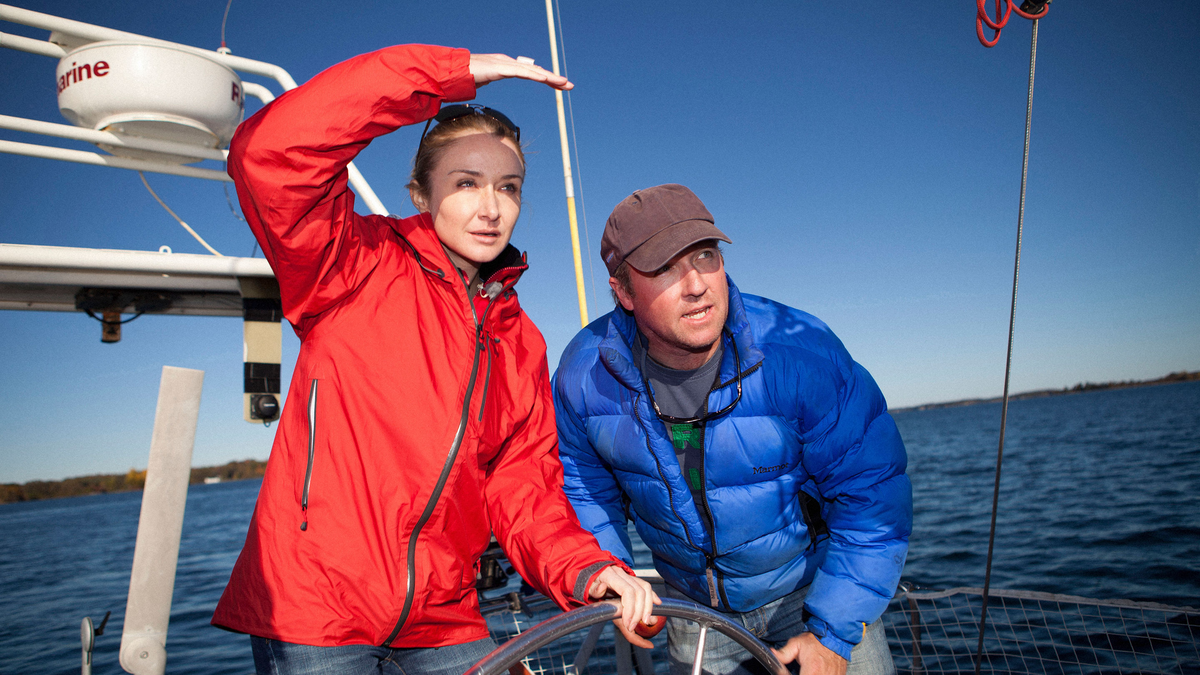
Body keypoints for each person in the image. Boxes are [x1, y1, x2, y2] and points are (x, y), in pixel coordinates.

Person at [211, 45, 658, 675]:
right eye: (466, 183)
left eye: (508, 187)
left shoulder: (520, 338)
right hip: (316, 610)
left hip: (445, 615)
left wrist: (585, 569)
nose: (490, 207)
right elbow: (270, 152)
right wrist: (448, 74)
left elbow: (522, 486)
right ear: (420, 194)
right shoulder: (349, 263)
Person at [553, 184, 912, 675]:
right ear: (623, 292)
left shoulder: (801, 354)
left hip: (811, 595)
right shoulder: (583, 375)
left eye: (706, 256)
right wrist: (612, 571)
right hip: (692, 613)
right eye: (664, 269)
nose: (697, 283)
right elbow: (583, 485)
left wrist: (833, 631)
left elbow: (872, 493)